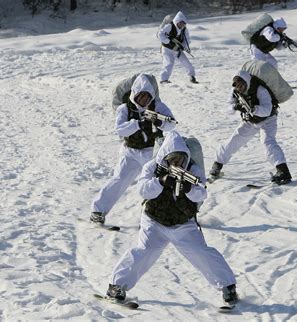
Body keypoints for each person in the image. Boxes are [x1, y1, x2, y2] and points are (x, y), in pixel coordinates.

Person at [105, 131, 239, 307]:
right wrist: (160, 182)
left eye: (181, 159)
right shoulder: (152, 168)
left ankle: (228, 287)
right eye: (173, 159)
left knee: (201, 252)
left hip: (183, 224)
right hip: (154, 221)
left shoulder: (193, 170)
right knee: (144, 251)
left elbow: (202, 194)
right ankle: (117, 286)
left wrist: (189, 188)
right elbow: (143, 191)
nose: (178, 163)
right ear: (165, 156)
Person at [90, 74, 176, 225]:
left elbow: (171, 124)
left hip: (152, 152)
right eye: (140, 97)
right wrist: (137, 124)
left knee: (158, 182)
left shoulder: (158, 106)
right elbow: (120, 130)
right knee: (119, 180)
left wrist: (159, 122)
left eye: (147, 97)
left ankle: (166, 214)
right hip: (130, 152)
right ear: (134, 94)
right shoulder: (124, 109)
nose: (144, 100)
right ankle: (98, 211)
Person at [209, 71, 292, 185]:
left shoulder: (260, 90)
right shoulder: (235, 92)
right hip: (250, 121)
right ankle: (217, 165)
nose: (240, 88)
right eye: (237, 86)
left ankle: (283, 171)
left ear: (246, 82)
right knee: (234, 140)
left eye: (242, 85)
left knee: (268, 142)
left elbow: (267, 110)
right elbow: (227, 109)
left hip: (268, 120)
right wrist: (235, 107)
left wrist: (253, 109)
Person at [158, 11, 198, 84]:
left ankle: (192, 77)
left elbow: (187, 40)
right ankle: (163, 79)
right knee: (168, 63)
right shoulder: (170, 26)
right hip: (167, 49)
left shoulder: (184, 30)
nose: (181, 25)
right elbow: (160, 34)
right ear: (176, 21)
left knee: (187, 63)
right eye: (180, 23)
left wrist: (183, 46)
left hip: (177, 50)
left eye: (183, 23)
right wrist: (168, 41)